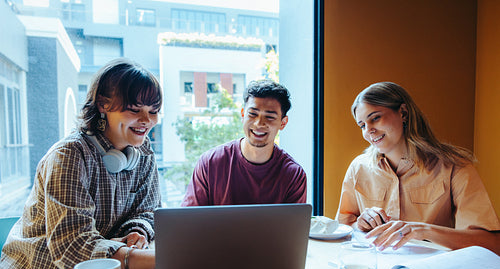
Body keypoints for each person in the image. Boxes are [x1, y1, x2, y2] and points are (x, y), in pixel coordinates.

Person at [0, 58, 160, 269]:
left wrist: (138, 230)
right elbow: (73, 247)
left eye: (154, 111)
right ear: (103, 105)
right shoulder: (68, 156)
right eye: (135, 110)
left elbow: (147, 211)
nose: (147, 121)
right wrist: (157, 260)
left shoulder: (142, 154)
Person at [336, 81, 500, 254]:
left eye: (375, 118)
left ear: (403, 113)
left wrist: (423, 230)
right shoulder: (358, 168)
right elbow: (342, 228)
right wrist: (360, 224)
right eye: (362, 125)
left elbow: (492, 244)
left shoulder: (454, 167)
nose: (368, 130)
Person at [182, 79, 307, 206]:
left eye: (269, 117)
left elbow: (293, 225)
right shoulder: (210, 163)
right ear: (243, 115)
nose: (259, 123)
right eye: (252, 114)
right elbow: (188, 220)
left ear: (283, 123)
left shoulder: (293, 175)